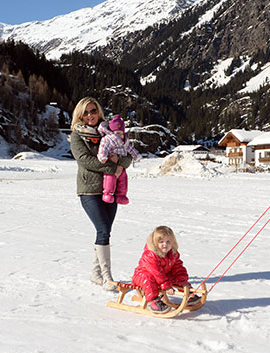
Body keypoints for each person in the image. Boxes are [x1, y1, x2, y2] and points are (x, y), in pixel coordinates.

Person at [70, 97, 133, 291]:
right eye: (86, 112)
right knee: (103, 229)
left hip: (111, 189)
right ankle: (107, 277)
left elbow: (128, 157)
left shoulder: (109, 132)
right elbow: (85, 160)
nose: (90, 115)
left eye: (93, 111)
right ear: (80, 115)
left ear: (99, 112)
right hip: (89, 190)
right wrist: (112, 167)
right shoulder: (77, 136)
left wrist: (119, 160)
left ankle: (95, 273)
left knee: (104, 231)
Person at [132, 226, 200, 313]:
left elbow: (178, 266)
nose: (165, 245)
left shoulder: (173, 253)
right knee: (148, 278)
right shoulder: (150, 255)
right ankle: (154, 301)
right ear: (155, 243)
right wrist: (166, 286)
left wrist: (182, 279)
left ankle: (188, 294)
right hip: (142, 275)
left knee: (174, 275)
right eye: (161, 242)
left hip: (161, 276)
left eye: (168, 242)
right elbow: (156, 272)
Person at [97, 114, 142, 204]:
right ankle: (108, 193)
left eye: (121, 133)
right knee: (110, 178)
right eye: (117, 133)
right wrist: (103, 156)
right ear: (112, 132)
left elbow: (130, 149)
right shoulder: (107, 139)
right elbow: (103, 148)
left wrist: (136, 156)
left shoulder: (125, 141)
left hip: (121, 166)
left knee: (123, 179)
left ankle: (121, 195)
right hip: (111, 164)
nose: (119, 135)